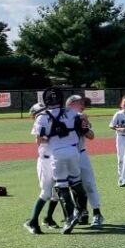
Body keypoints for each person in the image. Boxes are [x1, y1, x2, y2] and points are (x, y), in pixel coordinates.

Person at [30, 88, 89, 234]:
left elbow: (39, 140)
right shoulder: (71, 112)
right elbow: (84, 123)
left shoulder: (42, 117)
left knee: (61, 187)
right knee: (76, 182)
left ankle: (69, 218)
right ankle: (81, 210)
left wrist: (52, 136)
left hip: (55, 155)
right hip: (73, 151)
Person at [68, 95, 104, 227]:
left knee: (88, 184)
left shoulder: (80, 117)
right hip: (67, 156)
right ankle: (81, 213)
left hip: (81, 154)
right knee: (73, 187)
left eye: (83, 103)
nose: (83, 105)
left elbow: (91, 136)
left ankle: (97, 213)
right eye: (80, 102)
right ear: (71, 104)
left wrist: (84, 126)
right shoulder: (64, 117)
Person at [24, 102, 54, 235]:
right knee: (46, 193)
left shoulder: (53, 117)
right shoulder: (43, 119)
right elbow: (39, 139)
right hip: (45, 159)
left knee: (57, 193)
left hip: (55, 159)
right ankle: (32, 221)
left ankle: (48, 218)